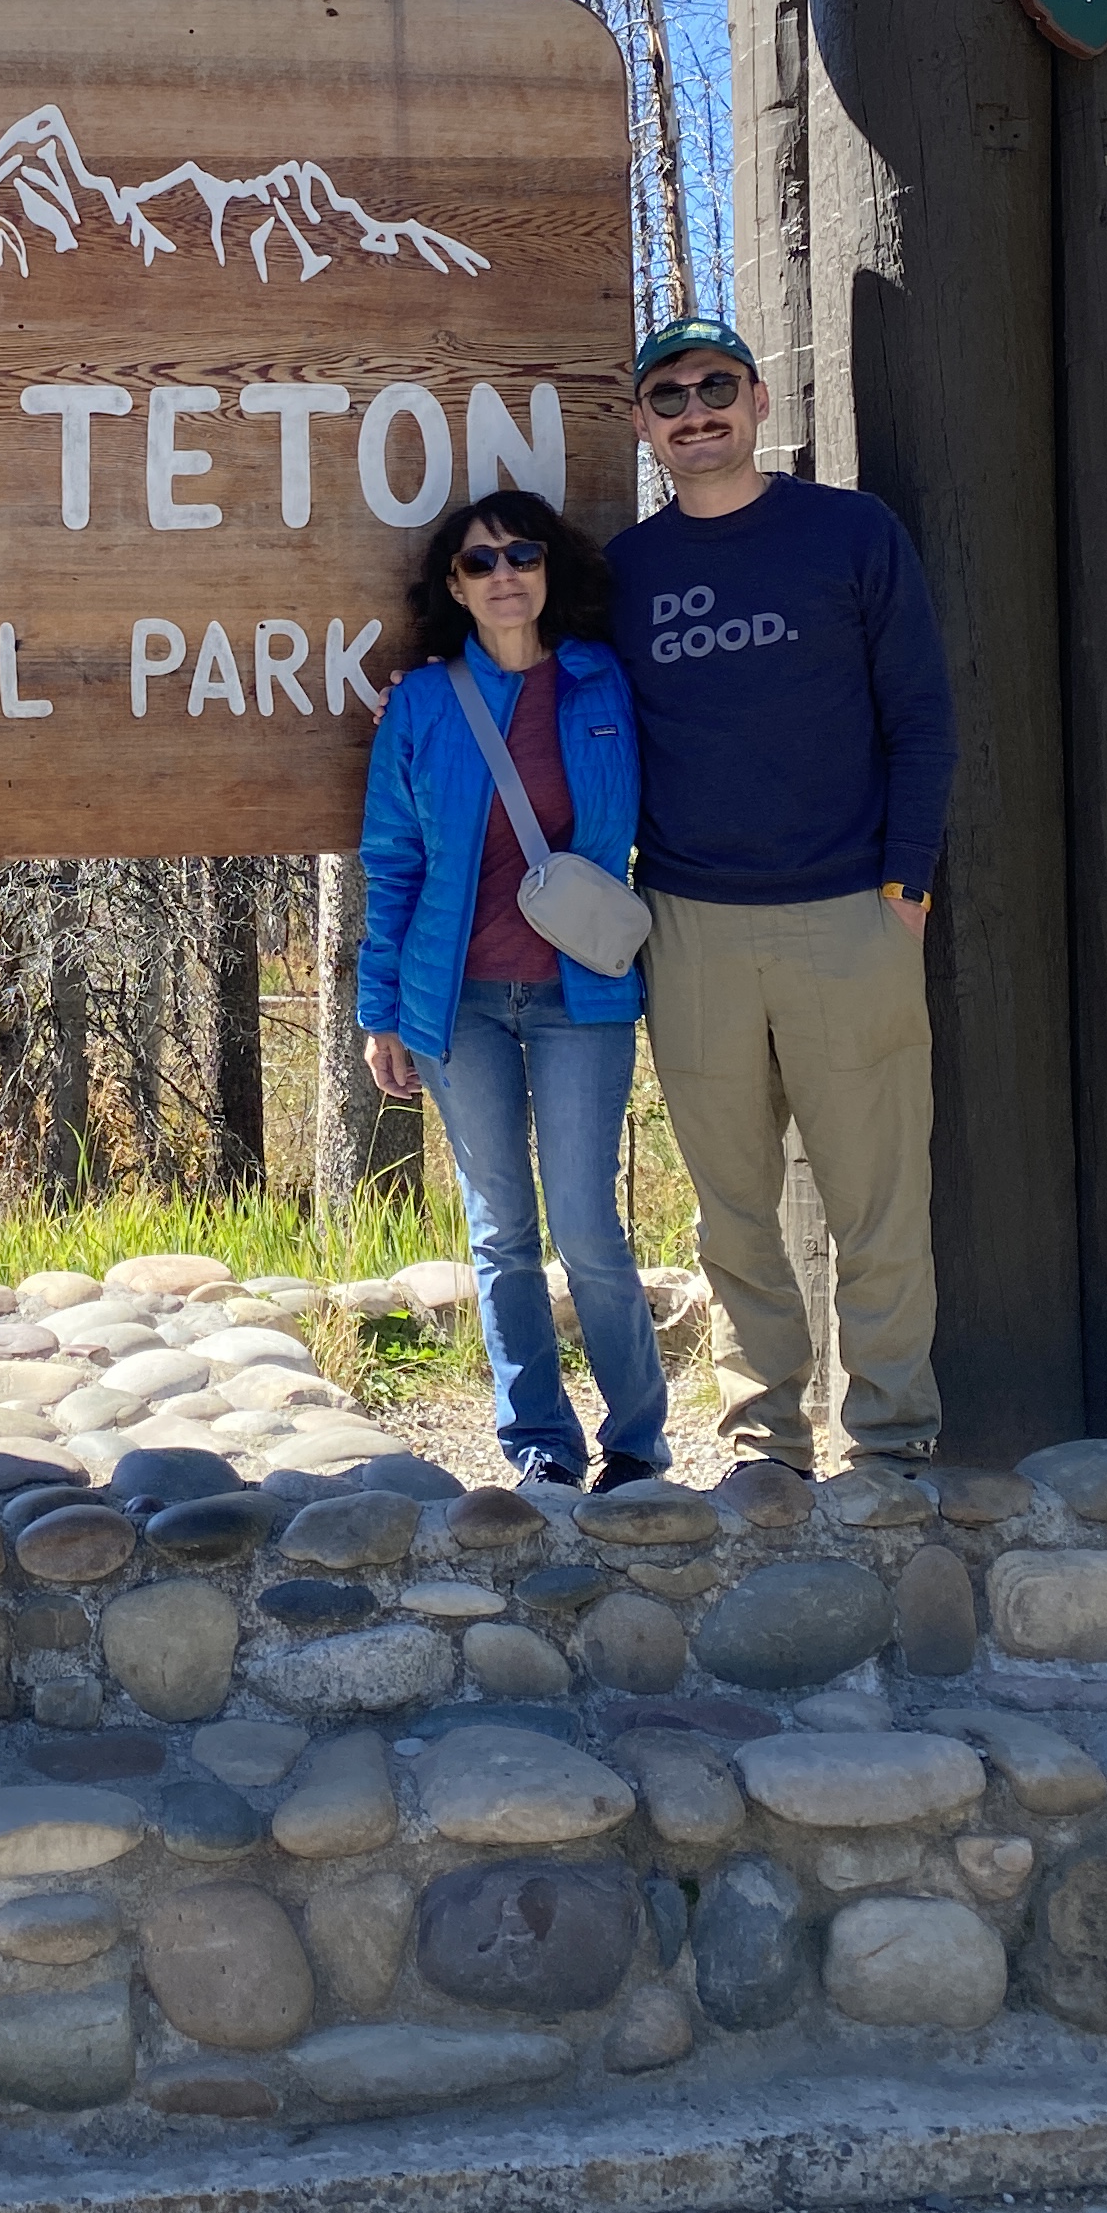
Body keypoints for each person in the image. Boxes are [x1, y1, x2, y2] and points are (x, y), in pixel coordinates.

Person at [606, 315, 957, 1490]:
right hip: (690, 925)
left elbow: (921, 716)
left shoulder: (851, 534)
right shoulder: (625, 574)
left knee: (877, 1201)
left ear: (759, 402)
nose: (695, 411)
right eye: (668, 397)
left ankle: (893, 1437)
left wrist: (906, 886)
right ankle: (764, 1439)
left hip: (850, 912)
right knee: (732, 1208)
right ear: (643, 425)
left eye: (716, 386)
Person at [357, 486, 670, 1492]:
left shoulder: (605, 683)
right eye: (480, 562)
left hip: (582, 998)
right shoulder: (422, 705)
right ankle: (540, 1444)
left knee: (586, 1228)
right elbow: (393, 859)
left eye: (521, 555)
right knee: (501, 1232)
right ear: (454, 586)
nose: (504, 576)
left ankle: (637, 1442)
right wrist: (379, 1012)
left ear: (548, 569)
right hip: (458, 1002)